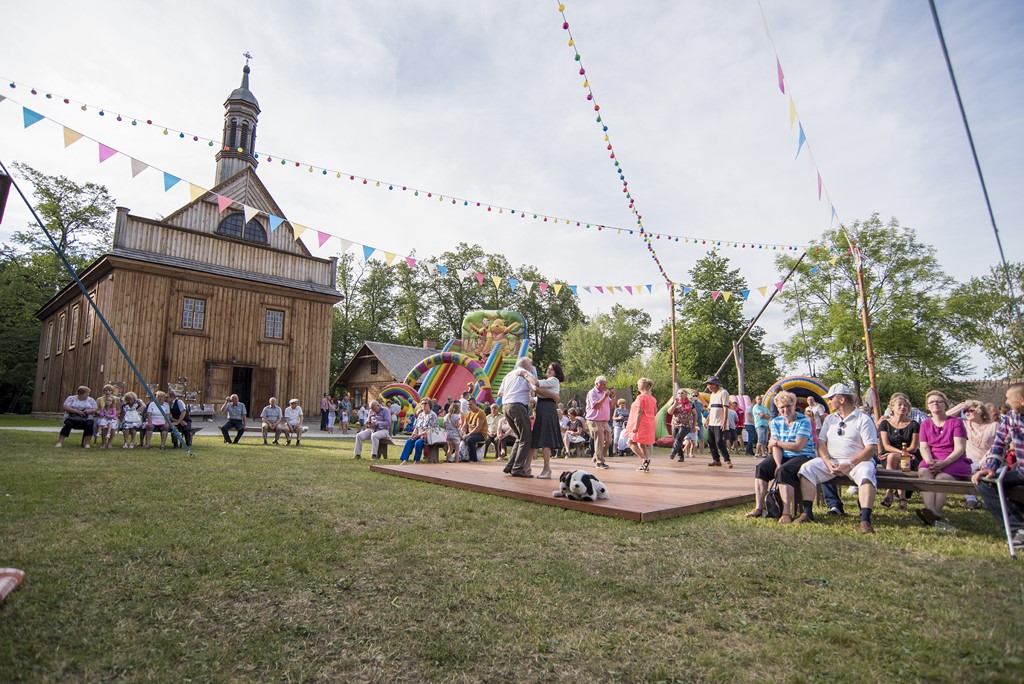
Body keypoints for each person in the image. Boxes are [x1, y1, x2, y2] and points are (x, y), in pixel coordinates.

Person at [795, 383, 880, 534]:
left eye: (831, 399)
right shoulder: (830, 419)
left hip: (859, 462)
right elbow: (821, 442)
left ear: (841, 400)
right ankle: (807, 513)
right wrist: (827, 461)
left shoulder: (863, 419)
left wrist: (850, 464)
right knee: (807, 469)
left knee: (866, 473)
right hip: (833, 461)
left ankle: (865, 520)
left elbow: (871, 448)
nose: (828, 402)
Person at [745, 391, 816, 521]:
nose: (785, 410)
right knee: (762, 468)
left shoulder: (804, 421)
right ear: (777, 408)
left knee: (784, 471)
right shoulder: (775, 422)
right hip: (783, 454)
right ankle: (759, 508)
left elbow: (798, 446)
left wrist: (778, 443)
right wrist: (777, 464)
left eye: (788, 406)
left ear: (794, 405)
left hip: (803, 455)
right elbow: (774, 447)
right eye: (782, 407)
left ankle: (786, 513)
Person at [972, 383, 1024, 547]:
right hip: (1022, 472)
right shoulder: (1011, 417)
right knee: (984, 482)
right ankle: (1018, 528)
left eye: (1008, 398)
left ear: (1021, 400)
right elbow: (999, 443)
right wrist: (991, 467)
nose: (1006, 402)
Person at [916, 390, 969, 526]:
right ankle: (930, 511)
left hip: (953, 459)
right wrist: (929, 461)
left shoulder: (956, 423)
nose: (935, 404)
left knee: (941, 478)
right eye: (931, 402)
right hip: (932, 458)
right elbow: (924, 447)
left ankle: (935, 512)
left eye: (939, 401)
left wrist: (945, 463)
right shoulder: (925, 424)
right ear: (927, 406)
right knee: (923, 472)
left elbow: (959, 448)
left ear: (946, 404)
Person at [877, 392, 921, 510]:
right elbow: (886, 445)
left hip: (910, 455)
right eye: (900, 405)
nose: (903, 407)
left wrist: (902, 453)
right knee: (895, 459)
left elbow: (913, 447)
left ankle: (889, 492)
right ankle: (902, 499)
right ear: (892, 408)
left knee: (901, 460)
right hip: (889, 455)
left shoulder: (914, 424)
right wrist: (901, 453)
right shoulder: (885, 423)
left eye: (905, 405)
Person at [522, 361, 564, 480]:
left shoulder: (553, 380)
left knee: (545, 441)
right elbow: (537, 394)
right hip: (542, 410)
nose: (548, 370)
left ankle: (547, 469)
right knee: (534, 440)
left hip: (547, 411)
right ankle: (526, 467)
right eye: (548, 368)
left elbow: (536, 384)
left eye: (552, 369)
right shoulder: (549, 383)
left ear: (556, 373)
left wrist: (525, 374)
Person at [496, 356, 534, 477]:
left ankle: (510, 465)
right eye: (530, 365)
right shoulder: (526, 374)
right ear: (526, 366)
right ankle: (517, 468)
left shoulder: (508, 375)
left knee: (519, 437)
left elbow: (500, 393)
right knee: (526, 438)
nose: (531, 367)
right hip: (518, 407)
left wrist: (512, 395)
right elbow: (535, 387)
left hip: (506, 407)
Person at [959, 400, 998, 509]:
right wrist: (961, 406)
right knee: (962, 470)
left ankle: (986, 500)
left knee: (991, 473)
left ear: (980, 411)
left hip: (989, 459)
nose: (967, 413)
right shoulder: (963, 424)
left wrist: (984, 460)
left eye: (970, 410)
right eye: (965, 411)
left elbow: (997, 446)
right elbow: (945, 417)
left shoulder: (994, 425)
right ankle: (971, 499)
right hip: (969, 459)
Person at [625, 377, 657, 472]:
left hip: (641, 423)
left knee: (630, 443)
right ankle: (645, 465)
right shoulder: (653, 398)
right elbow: (655, 411)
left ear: (642, 386)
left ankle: (644, 460)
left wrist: (636, 426)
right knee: (641, 444)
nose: (637, 386)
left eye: (638, 385)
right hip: (649, 423)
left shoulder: (641, 397)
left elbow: (639, 411)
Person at [585, 376, 614, 470]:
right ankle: (599, 462)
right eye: (602, 384)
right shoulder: (592, 393)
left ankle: (596, 456)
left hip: (604, 421)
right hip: (594, 420)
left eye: (605, 384)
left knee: (608, 440)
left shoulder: (604, 393)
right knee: (600, 439)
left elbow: (611, 406)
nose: (604, 386)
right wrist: (605, 397)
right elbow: (596, 406)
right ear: (596, 384)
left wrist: (613, 396)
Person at [704, 376, 732, 468]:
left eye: (709, 384)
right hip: (712, 422)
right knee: (711, 441)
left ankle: (727, 460)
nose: (708, 387)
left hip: (719, 422)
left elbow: (725, 408)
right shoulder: (712, 395)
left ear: (714, 385)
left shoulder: (723, 393)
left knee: (719, 441)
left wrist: (724, 422)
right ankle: (716, 460)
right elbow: (711, 409)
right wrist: (707, 420)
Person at [400, 400, 438, 464]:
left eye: (425, 403)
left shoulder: (433, 415)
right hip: (419, 435)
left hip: (428, 437)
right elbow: (417, 427)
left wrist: (419, 435)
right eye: (422, 404)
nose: (423, 405)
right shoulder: (420, 415)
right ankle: (404, 460)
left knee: (418, 443)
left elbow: (430, 429)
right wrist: (414, 434)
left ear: (429, 405)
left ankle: (417, 460)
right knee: (409, 441)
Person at [667, 389, 695, 463]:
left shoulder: (690, 403)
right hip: (675, 423)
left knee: (678, 438)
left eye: (682, 393)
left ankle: (673, 453)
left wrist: (693, 426)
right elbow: (669, 412)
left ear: (686, 395)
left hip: (686, 424)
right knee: (676, 439)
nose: (680, 394)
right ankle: (681, 456)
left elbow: (695, 414)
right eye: (678, 393)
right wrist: (675, 404)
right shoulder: (675, 402)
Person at [460, 397, 488, 462]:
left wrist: (467, 435)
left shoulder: (480, 413)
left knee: (469, 440)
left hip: (481, 434)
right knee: (456, 438)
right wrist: (463, 433)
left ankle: (473, 459)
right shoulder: (468, 413)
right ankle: (459, 456)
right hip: (471, 433)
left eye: (470, 404)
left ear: (475, 404)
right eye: (468, 404)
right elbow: (464, 426)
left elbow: (478, 428)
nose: (469, 406)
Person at [95, 384, 120, 450]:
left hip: (113, 417)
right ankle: (103, 443)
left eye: (109, 390)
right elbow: (96, 409)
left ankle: (109, 444)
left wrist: (111, 415)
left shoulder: (116, 399)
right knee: (104, 427)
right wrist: (100, 413)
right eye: (106, 390)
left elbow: (119, 410)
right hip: (102, 417)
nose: (107, 392)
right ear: (103, 391)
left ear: (112, 391)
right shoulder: (99, 399)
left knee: (112, 428)